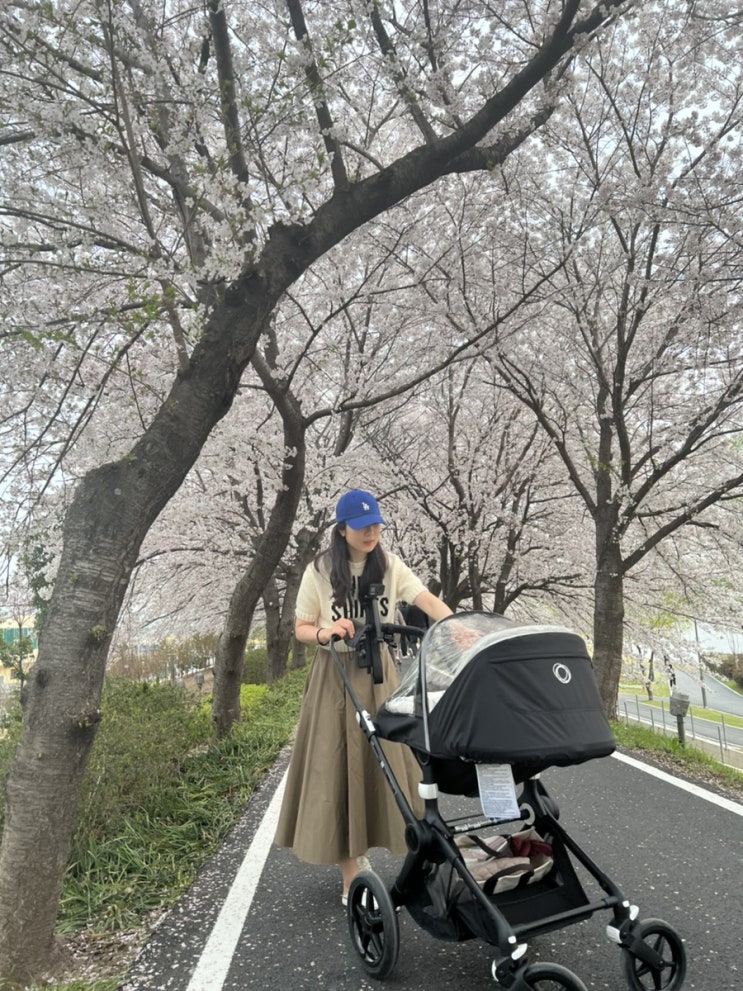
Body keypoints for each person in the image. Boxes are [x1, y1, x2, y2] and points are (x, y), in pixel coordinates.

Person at [274, 488, 452, 905]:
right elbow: (301, 628)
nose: (371, 533)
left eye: (376, 526)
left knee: (388, 759)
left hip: (379, 672)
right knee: (337, 765)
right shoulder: (319, 570)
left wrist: (456, 625)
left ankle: (396, 847)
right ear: (342, 530)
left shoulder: (389, 564)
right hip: (334, 674)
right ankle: (350, 869)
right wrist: (326, 632)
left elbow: (424, 599)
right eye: (362, 527)